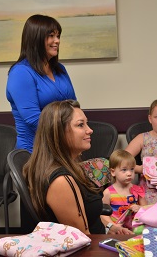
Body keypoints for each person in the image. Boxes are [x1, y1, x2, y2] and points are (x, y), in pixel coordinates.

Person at [23, 100, 130, 235]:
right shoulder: (61, 181)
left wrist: (111, 228)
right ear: (59, 132)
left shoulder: (69, 167)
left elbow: (88, 216)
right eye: (80, 125)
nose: (90, 130)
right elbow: (82, 239)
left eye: (87, 124)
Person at [6, 14, 76, 153]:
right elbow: (34, 120)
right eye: (51, 36)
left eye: (58, 36)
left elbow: (73, 107)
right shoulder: (21, 72)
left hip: (63, 149)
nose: (57, 41)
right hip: (35, 153)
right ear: (36, 39)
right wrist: (69, 135)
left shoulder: (60, 69)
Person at [101, 149, 147, 234]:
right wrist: (113, 226)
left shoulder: (138, 190)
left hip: (135, 231)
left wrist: (140, 208)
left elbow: (146, 209)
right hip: (117, 231)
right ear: (113, 172)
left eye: (132, 169)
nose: (129, 173)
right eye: (124, 170)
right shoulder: (108, 192)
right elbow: (103, 214)